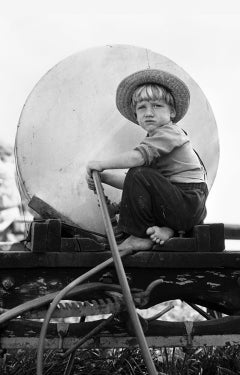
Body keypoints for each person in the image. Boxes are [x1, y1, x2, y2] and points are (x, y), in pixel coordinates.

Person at [86, 69, 208, 250]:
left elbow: (136, 160)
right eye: (142, 107)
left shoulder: (169, 133)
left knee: (138, 172)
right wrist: (104, 177)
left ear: (172, 112)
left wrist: (101, 164)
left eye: (157, 106)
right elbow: (135, 183)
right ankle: (168, 230)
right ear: (136, 115)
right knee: (138, 176)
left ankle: (139, 236)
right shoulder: (154, 141)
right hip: (185, 206)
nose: (149, 113)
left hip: (186, 200)